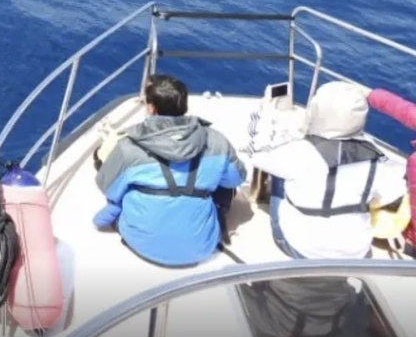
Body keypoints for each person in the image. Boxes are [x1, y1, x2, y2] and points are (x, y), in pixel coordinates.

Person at [94, 73, 247, 266]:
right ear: (184, 105)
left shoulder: (127, 146)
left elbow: (108, 188)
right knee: (224, 182)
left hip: (139, 242)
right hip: (201, 247)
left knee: (122, 185)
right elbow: (237, 178)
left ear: (151, 108)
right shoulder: (217, 141)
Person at [254, 81, 407, 259]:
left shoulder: (301, 153)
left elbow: (257, 153)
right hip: (356, 254)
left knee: (279, 175)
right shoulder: (378, 158)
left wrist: (264, 113)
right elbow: (393, 193)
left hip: (302, 250)